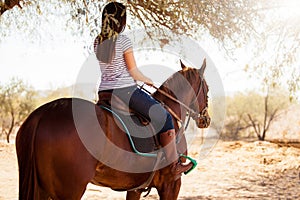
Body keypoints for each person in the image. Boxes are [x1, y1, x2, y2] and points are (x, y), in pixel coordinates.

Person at [94, 2, 192, 175]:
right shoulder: (123, 41)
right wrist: (147, 80)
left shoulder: (98, 41)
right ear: (121, 21)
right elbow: (133, 72)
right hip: (125, 92)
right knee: (165, 117)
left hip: (104, 93)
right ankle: (174, 166)